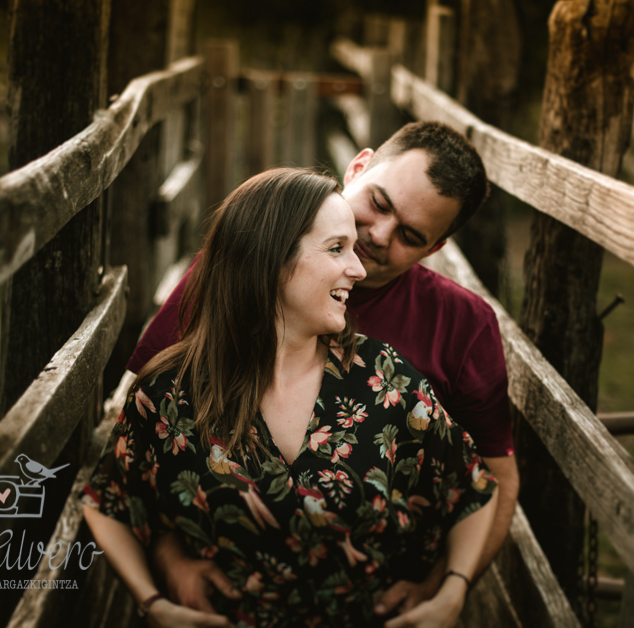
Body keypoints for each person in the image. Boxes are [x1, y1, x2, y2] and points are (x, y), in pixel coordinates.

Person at [131, 121, 519, 618]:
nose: (377, 235)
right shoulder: (238, 269)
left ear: (434, 249)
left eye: (411, 235)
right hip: (227, 598)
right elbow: (142, 436)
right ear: (357, 167)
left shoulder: (463, 326)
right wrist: (169, 559)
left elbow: (496, 477)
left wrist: (445, 584)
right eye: (379, 203)